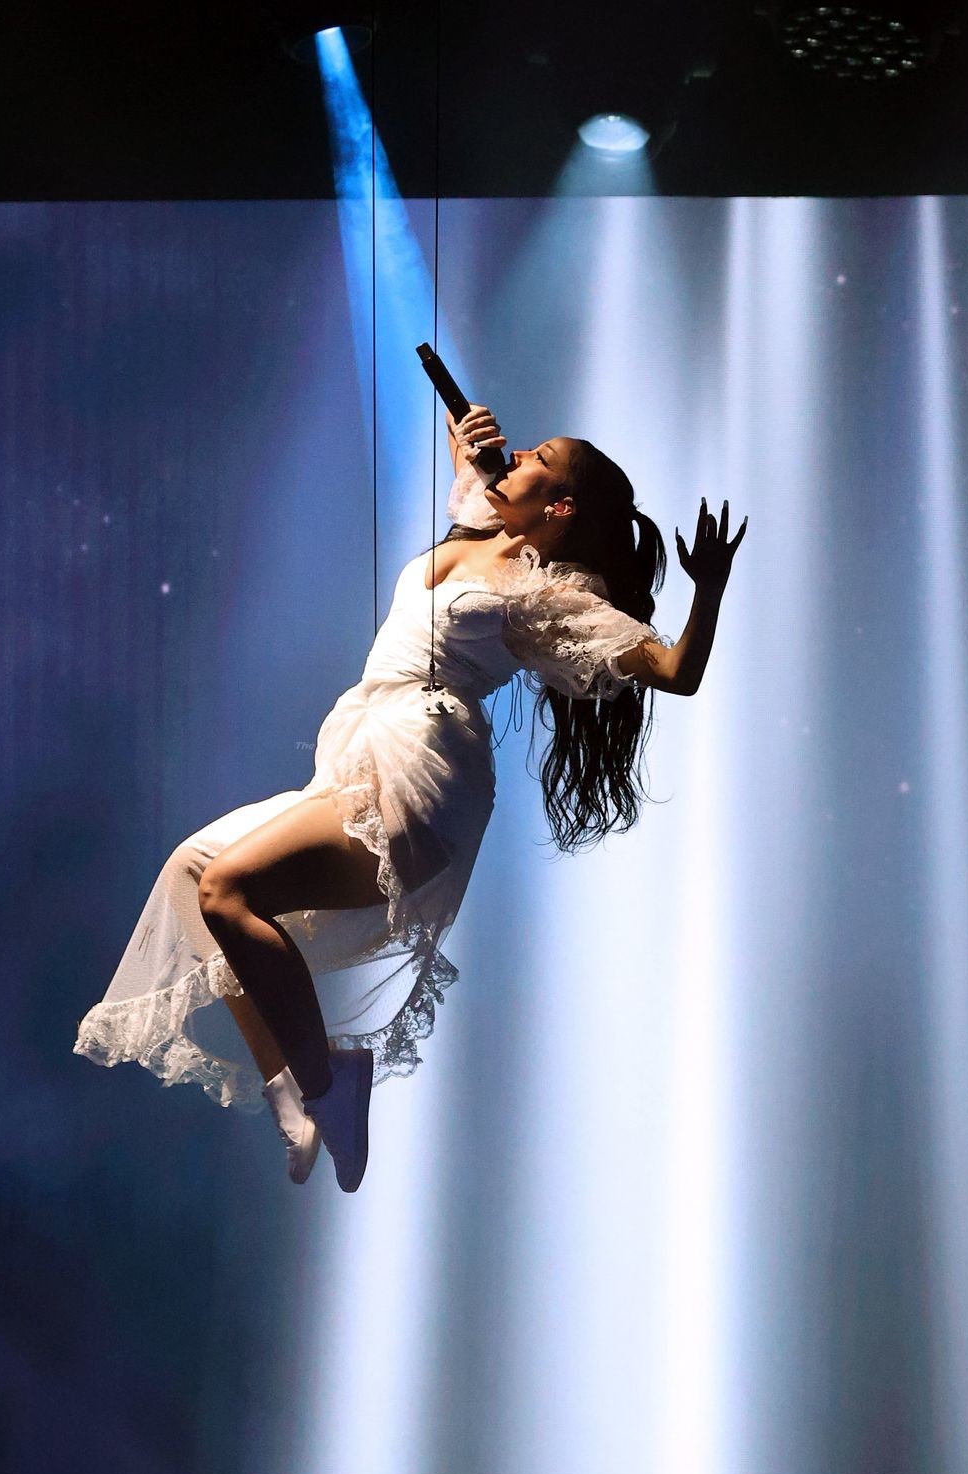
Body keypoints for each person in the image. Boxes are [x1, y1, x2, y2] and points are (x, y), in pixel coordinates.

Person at [73, 404, 747, 1191]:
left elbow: (675, 672)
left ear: (560, 505)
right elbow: (475, 470)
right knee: (193, 871)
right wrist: (471, 446)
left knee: (228, 889)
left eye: (538, 456)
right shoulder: (477, 527)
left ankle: (327, 1083)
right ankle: (294, 1087)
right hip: (360, 752)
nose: (518, 455)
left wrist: (709, 589)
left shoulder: (546, 592)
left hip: (422, 771)